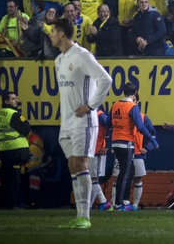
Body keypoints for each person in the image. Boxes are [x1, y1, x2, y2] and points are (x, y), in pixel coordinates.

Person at [52, 16, 114, 229]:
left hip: (84, 120)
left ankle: (85, 216)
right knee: (72, 166)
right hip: (66, 121)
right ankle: (79, 215)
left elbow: (106, 79)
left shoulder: (82, 55)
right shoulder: (59, 60)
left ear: (61, 34)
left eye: (53, 32)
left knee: (81, 164)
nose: (50, 35)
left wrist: (90, 106)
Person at [109, 82, 158, 211]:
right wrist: (152, 141)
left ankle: (125, 202)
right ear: (135, 93)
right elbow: (140, 126)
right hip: (127, 143)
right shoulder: (133, 107)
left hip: (115, 142)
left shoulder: (115, 105)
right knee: (125, 174)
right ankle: (118, 204)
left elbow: (109, 123)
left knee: (128, 173)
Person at [0, 91, 32, 210]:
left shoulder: (1, 114)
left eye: (16, 98)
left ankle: (7, 202)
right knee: (15, 179)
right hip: (16, 150)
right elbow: (26, 128)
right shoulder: (14, 114)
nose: (16, 101)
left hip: (5, 151)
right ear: (6, 101)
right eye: (13, 99)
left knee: (7, 178)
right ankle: (15, 203)